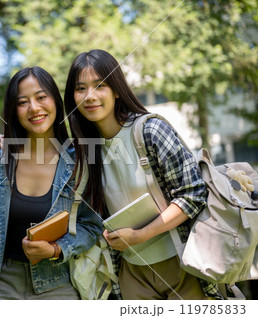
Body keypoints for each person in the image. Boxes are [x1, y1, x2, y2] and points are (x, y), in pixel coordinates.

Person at [63, 49, 224, 300]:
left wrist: (140, 236)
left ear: (116, 89)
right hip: (131, 272)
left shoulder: (150, 129)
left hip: (182, 263)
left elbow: (193, 194)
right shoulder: (83, 151)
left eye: (100, 85)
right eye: (81, 88)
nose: (90, 96)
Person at [0, 66, 102, 299]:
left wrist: (56, 249)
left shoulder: (80, 162)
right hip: (4, 286)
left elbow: (92, 226)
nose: (34, 108)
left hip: (60, 285)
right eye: (23, 102)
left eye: (41, 97)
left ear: (55, 100)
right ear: (13, 110)